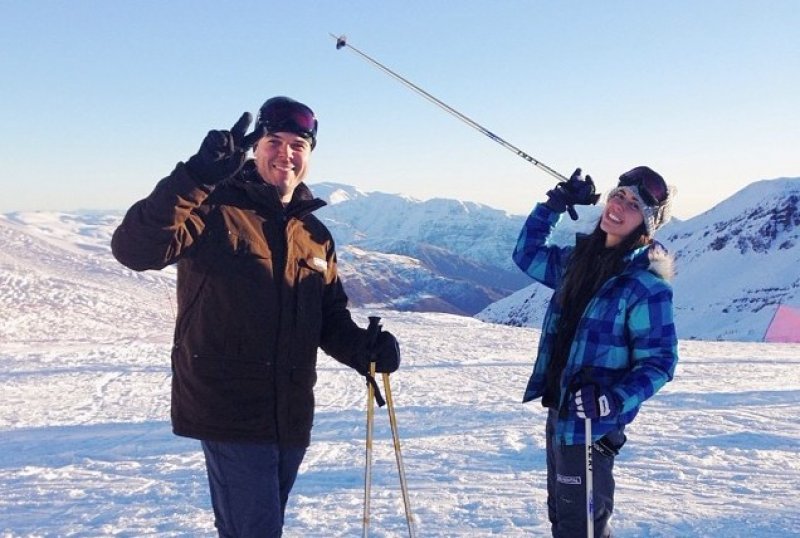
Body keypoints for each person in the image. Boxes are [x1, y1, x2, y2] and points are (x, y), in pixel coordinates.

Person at [111, 96, 400, 537]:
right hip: (229, 409)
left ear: (309, 155)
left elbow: (328, 317)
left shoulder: (314, 234)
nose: (286, 153)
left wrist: (364, 349)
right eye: (274, 141)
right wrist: (196, 176)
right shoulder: (213, 207)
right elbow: (134, 250)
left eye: (298, 145)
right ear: (255, 148)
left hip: (290, 413)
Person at [512, 166, 679, 537]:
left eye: (633, 205)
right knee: (564, 521)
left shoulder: (645, 286)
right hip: (562, 413)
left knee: (582, 529)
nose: (619, 206)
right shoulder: (578, 261)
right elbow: (526, 254)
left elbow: (660, 362)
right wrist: (554, 204)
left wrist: (612, 400)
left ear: (646, 224)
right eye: (618, 195)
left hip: (593, 427)